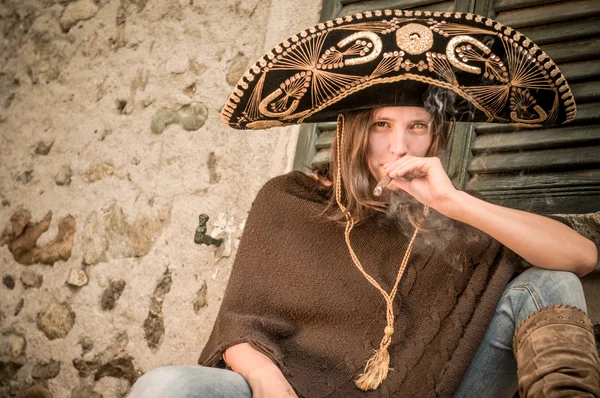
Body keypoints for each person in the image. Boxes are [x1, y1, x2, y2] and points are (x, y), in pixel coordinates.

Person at [128, 9, 600, 398]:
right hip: (293, 387)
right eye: (381, 125)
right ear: (354, 131)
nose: (399, 147)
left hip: (434, 388)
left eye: (417, 126)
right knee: (167, 385)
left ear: (437, 133)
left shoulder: (456, 214)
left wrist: (455, 203)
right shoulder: (289, 198)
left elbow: (580, 259)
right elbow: (239, 325)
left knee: (546, 279)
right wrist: (272, 384)